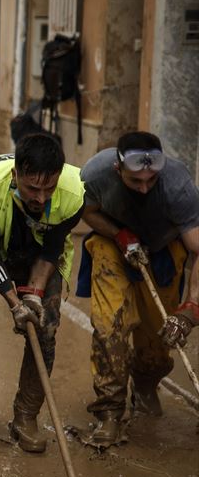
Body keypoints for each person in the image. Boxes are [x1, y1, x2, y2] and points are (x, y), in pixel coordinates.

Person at [0, 134, 84, 453]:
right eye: (32, 188)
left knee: (45, 328)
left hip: (39, 250)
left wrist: (33, 297)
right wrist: (14, 303)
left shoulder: (76, 192)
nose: (40, 197)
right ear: (15, 175)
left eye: (48, 189)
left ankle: (26, 416)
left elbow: (52, 250)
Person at [78, 132, 199, 446]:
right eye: (135, 181)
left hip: (164, 248)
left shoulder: (178, 185)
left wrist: (190, 308)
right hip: (112, 246)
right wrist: (120, 235)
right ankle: (109, 411)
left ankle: (145, 385)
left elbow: (198, 249)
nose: (144, 187)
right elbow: (88, 213)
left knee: (159, 339)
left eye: (151, 180)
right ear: (119, 170)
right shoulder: (95, 174)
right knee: (110, 325)